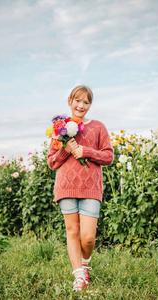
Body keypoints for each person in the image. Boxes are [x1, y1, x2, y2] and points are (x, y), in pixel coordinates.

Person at [47, 85, 114, 291]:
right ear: (70, 101)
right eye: (77, 101)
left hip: (91, 187)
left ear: (90, 105)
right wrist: (66, 150)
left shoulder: (98, 127)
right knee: (72, 231)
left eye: (86, 102)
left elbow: (108, 156)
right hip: (66, 186)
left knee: (88, 237)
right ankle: (79, 276)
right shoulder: (60, 129)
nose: (81, 105)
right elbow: (52, 162)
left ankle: (84, 264)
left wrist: (87, 151)